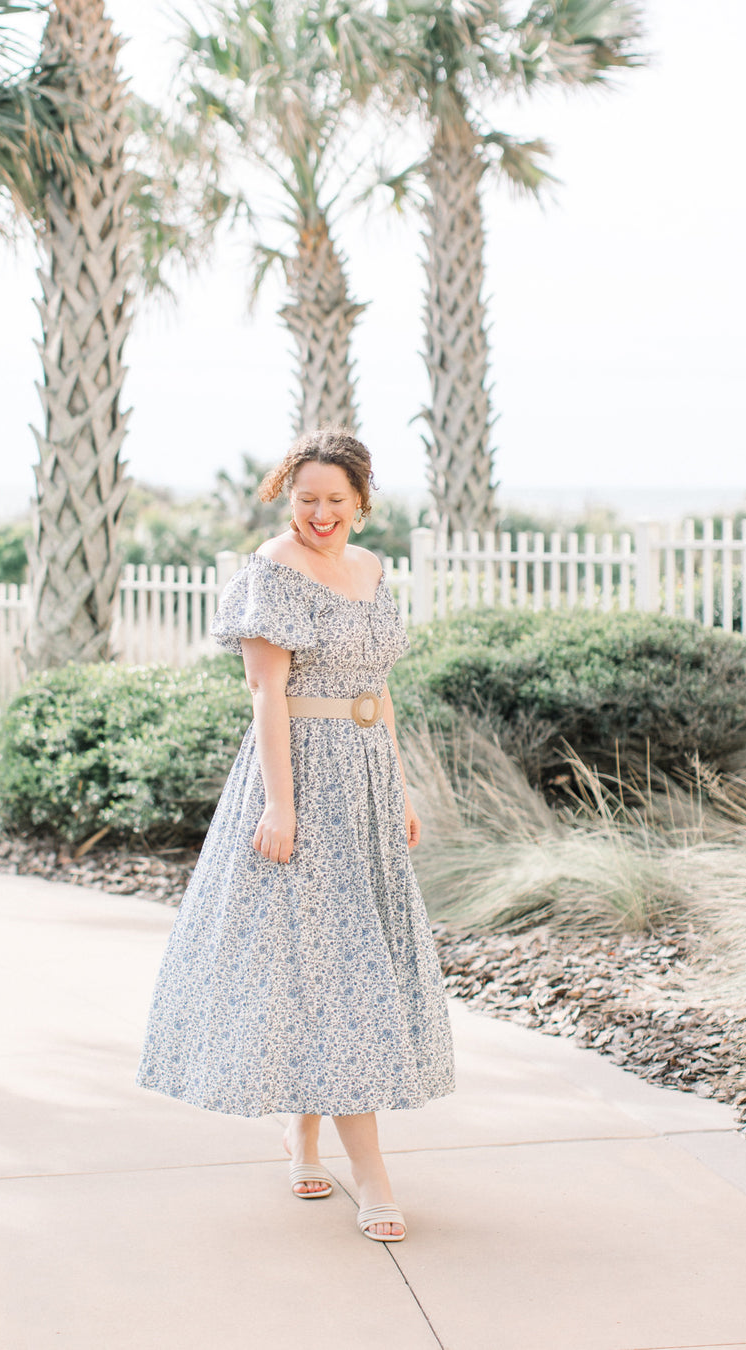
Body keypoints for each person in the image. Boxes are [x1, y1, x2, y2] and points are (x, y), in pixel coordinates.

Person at [137, 426, 455, 1242]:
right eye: (306, 499)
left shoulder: (373, 569)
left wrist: (403, 786)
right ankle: (372, 1175)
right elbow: (265, 696)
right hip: (300, 779)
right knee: (332, 968)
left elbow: (377, 689)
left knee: (343, 964)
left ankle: (303, 1133)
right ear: (290, 496)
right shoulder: (271, 571)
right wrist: (282, 807)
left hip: (369, 782)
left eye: (336, 501)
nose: (321, 514)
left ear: (362, 501)